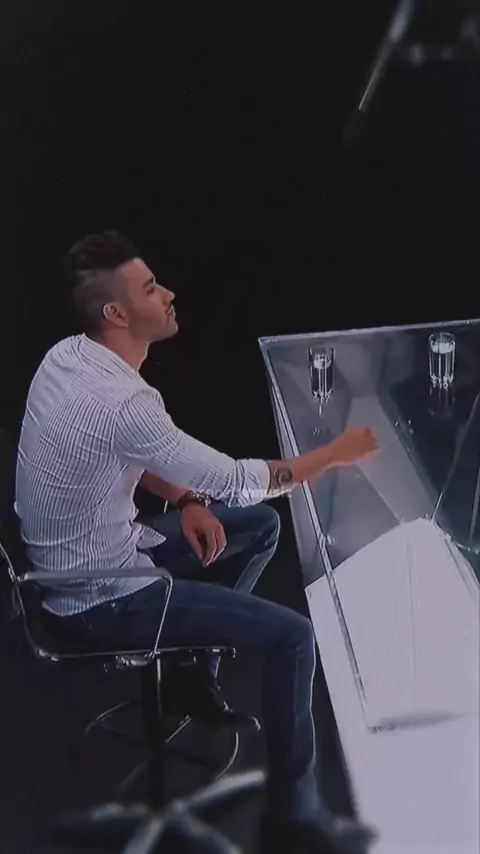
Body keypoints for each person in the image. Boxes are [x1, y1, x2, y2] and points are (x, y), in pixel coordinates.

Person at [15, 231, 378, 853]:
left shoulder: (66, 358)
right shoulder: (126, 402)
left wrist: (186, 501)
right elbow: (236, 480)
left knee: (258, 529)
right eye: (151, 289)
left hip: (78, 562)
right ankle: (296, 820)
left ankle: (191, 669)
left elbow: (129, 456)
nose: (168, 294)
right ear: (116, 313)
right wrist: (333, 455)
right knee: (293, 637)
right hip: (101, 596)